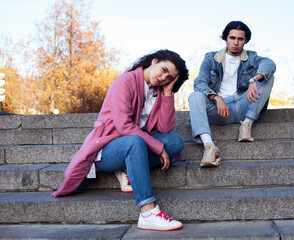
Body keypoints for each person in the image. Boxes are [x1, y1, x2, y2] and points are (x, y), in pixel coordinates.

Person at [51, 49, 189, 231]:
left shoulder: (157, 91)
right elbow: (124, 126)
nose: (163, 77)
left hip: (134, 145)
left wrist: (168, 93)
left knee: (175, 142)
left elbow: (164, 128)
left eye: (169, 77)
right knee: (135, 141)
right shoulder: (126, 81)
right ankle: (148, 211)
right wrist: (156, 147)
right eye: (163, 70)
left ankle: (128, 167)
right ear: (154, 61)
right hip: (109, 148)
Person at [188, 21, 276, 168]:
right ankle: (209, 147)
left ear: (246, 41)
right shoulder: (211, 58)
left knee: (268, 76)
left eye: (240, 39)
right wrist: (216, 97)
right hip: (220, 110)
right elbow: (200, 83)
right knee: (194, 96)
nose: (236, 42)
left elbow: (270, 64)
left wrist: (254, 79)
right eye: (232, 38)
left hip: (244, 104)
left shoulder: (252, 58)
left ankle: (247, 125)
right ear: (226, 38)